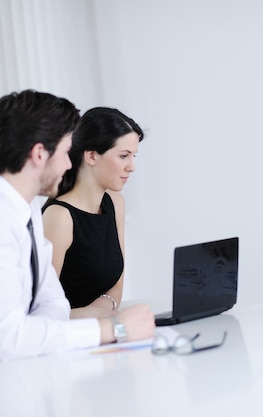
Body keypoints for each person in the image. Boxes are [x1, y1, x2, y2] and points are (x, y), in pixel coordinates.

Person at [0, 90, 154, 360]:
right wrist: (113, 328)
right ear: (39, 154)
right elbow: (10, 336)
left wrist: (51, 328)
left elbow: (51, 303)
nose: (71, 163)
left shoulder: (28, 211)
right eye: (65, 152)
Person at [42, 107, 143, 319]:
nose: (132, 166)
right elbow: (41, 313)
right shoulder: (59, 217)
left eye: (133, 156)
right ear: (91, 156)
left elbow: (116, 287)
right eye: (123, 156)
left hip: (101, 331)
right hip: (64, 340)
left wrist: (101, 312)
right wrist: (96, 316)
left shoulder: (116, 203)